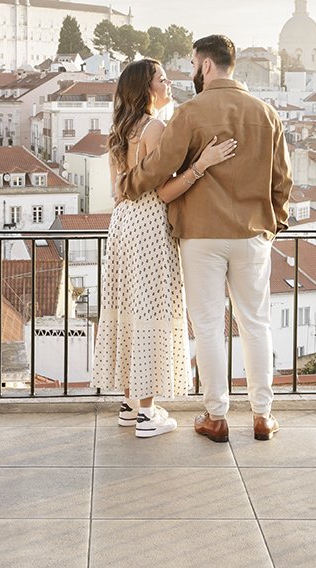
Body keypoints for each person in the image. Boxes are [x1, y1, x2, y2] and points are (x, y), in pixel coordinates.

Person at [121, 34, 291, 443]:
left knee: (211, 327)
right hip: (252, 234)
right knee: (256, 324)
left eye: (194, 64)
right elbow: (283, 182)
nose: (192, 72)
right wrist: (271, 226)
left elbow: (158, 167)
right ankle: (263, 416)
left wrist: (128, 185)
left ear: (207, 65)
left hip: (200, 236)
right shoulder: (267, 114)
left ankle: (216, 417)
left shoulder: (192, 113)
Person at [92, 57, 236, 438]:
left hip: (121, 225)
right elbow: (164, 189)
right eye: (162, 78)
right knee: (152, 308)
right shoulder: (155, 128)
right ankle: (146, 412)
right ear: (147, 88)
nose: (169, 83)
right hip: (150, 224)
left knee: (127, 307)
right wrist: (201, 164)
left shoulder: (118, 132)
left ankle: (129, 404)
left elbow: (119, 188)